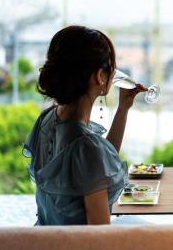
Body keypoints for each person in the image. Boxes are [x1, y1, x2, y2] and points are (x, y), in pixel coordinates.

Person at [23, 25, 146, 225]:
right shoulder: (86, 147)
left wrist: (123, 109)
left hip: (46, 239)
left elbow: (98, 167)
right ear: (99, 75)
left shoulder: (47, 119)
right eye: (110, 67)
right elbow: (99, 237)